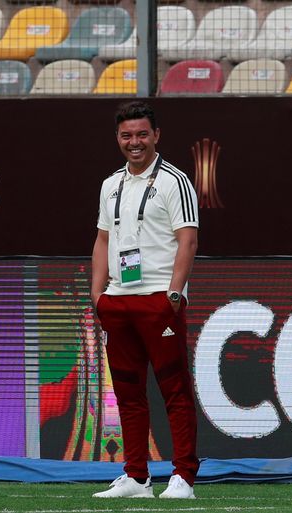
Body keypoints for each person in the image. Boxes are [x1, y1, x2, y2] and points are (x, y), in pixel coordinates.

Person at [90, 101, 199, 499]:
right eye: (126, 135)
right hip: (118, 302)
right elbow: (103, 240)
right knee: (127, 393)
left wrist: (174, 292)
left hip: (158, 299)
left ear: (156, 135)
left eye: (141, 134)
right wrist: (98, 295)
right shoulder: (110, 184)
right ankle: (137, 477)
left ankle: (183, 476)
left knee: (174, 390)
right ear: (117, 138)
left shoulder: (174, 180)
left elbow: (187, 238)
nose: (134, 142)